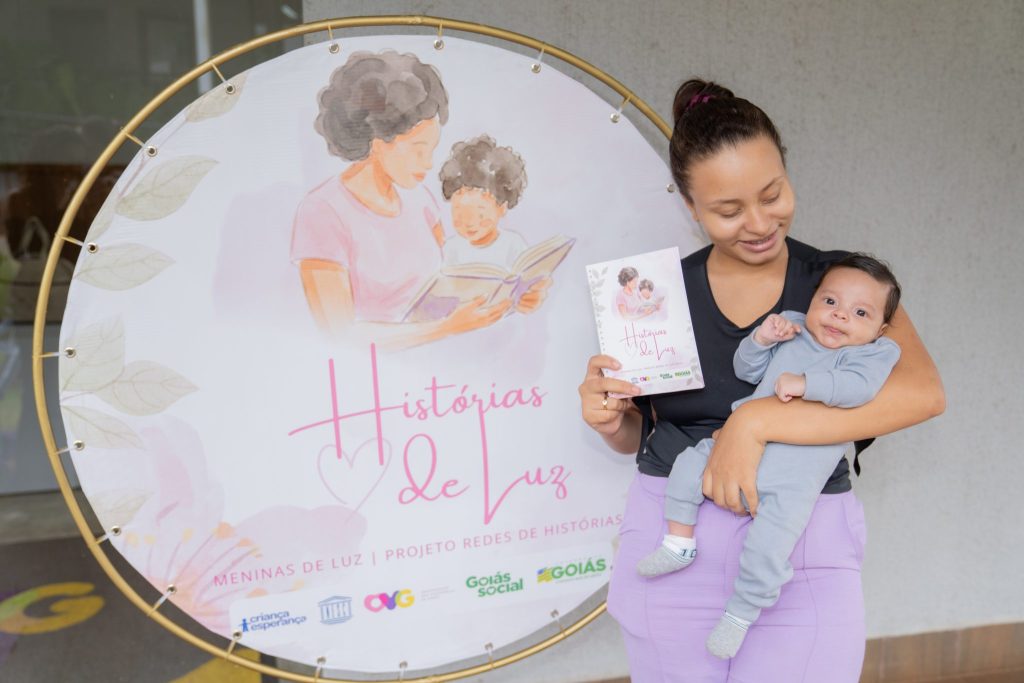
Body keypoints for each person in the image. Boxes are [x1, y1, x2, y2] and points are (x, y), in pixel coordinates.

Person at [578, 79, 944, 682]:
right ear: (689, 207)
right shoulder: (652, 296)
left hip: (799, 547)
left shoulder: (842, 288)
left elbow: (924, 393)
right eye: (728, 210)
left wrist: (758, 420)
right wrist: (611, 420)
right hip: (674, 532)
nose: (758, 223)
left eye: (772, 194)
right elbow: (640, 434)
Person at [637, 254, 902, 660]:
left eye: (860, 312)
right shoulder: (793, 328)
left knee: (767, 549)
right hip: (733, 448)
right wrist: (761, 340)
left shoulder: (872, 355)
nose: (839, 317)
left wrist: (807, 383)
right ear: (814, 300)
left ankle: (740, 616)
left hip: (794, 476)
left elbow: (858, 390)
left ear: (880, 328)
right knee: (689, 465)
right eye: (830, 302)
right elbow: (746, 369)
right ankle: (679, 540)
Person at [290, 51, 545, 350]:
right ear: (378, 142)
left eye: (432, 149)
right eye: (418, 149)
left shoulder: (419, 200)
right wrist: (445, 328)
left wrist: (512, 298)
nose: (428, 163)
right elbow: (338, 335)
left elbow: (448, 285)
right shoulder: (323, 212)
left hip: (445, 369)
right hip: (371, 383)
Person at [438, 135, 529, 270]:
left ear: (502, 207)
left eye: (480, 213)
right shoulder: (451, 249)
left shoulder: (513, 245)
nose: (469, 222)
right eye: (459, 214)